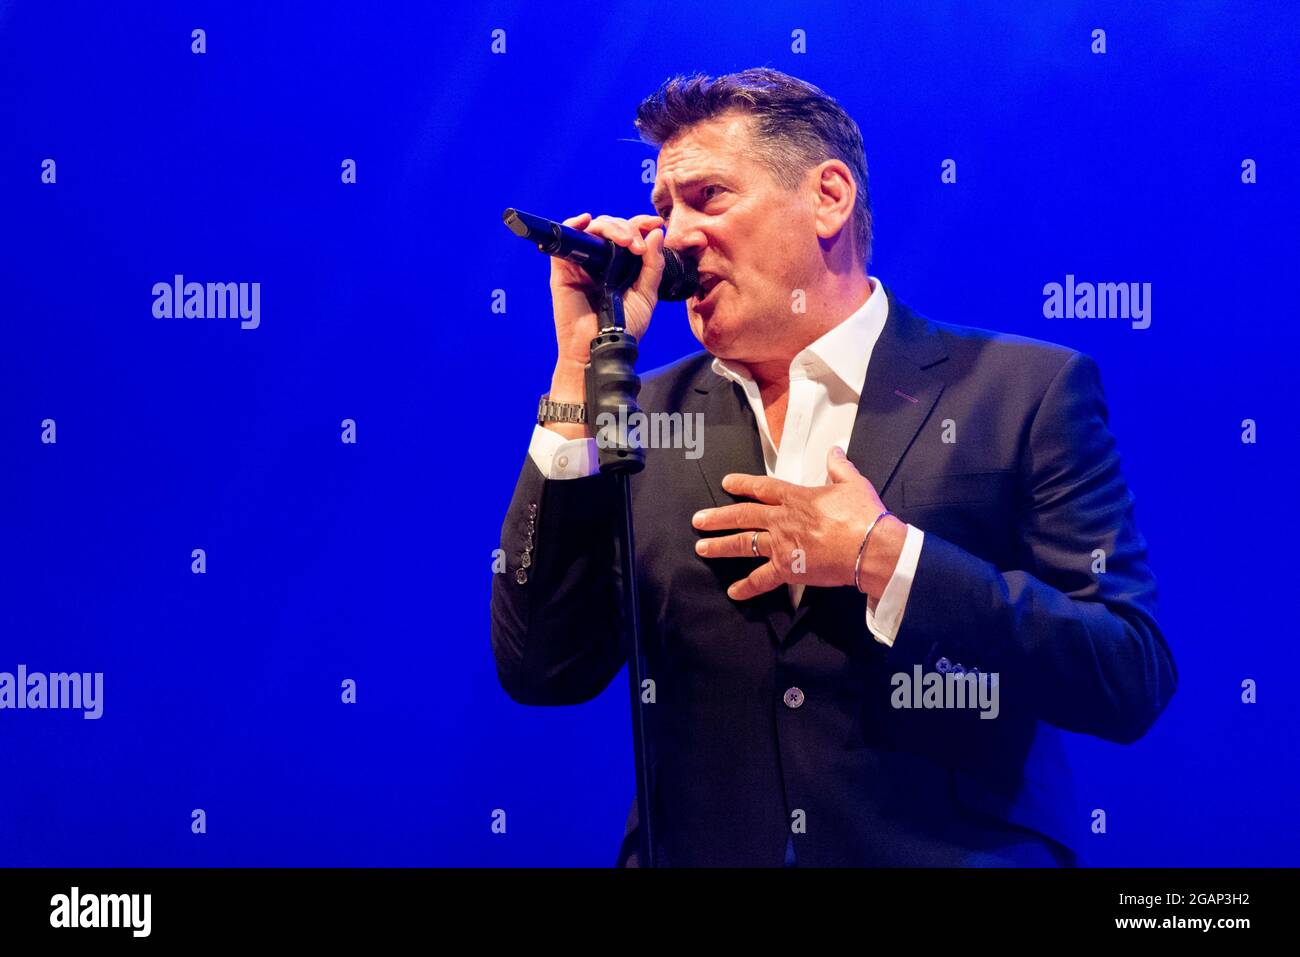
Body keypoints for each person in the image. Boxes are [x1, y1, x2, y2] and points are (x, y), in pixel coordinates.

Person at [490, 67, 1175, 867]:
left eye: (708, 197)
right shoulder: (637, 414)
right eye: (663, 206)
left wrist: (888, 558)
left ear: (829, 198)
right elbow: (542, 668)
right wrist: (575, 375)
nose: (671, 235)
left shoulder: (1021, 392)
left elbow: (1128, 673)